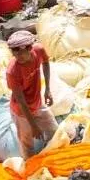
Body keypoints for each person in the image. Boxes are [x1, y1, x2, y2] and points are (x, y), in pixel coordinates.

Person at [5, 30, 55, 160]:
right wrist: (34, 126)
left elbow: (46, 63)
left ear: (30, 48)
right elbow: (21, 102)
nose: (19, 55)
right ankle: (31, 166)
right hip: (21, 111)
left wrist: (48, 89)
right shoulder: (12, 71)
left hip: (37, 103)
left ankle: (53, 156)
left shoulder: (38, 50)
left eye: (22, 51)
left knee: (53, 130)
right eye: (15, 51)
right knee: (27, 144)